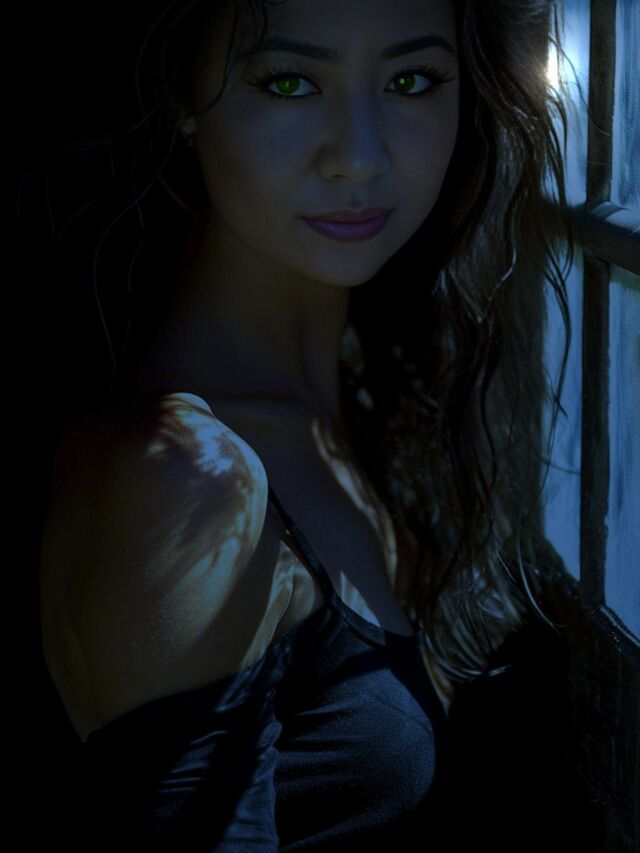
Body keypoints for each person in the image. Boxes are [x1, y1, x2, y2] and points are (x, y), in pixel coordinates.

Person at [33, 0, 575, 847]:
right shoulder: (185, 479)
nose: (358, 156)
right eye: (289, 82)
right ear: (180, 88)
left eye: (412, 81)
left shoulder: (368, 401)